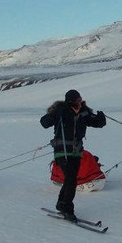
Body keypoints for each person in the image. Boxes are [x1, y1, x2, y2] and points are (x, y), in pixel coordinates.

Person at [40, 89, 106, 221]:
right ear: (71, 101)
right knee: (71, 179)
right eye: (78, 100)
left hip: (76, 152)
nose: (80, 102)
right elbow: (44, 123)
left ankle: (61, 203)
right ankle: (67, 208)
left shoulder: (83, 112)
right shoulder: (61, 111)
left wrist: (100, 118)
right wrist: (55, 114)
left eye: (80, 99)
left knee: (71, 179)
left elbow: (98, 124)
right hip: (62, 151)